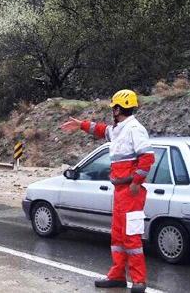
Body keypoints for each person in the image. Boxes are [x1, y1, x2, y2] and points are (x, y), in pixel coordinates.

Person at [62, 89, 155, 293]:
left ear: (119, 108)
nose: (112, 110)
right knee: (118, 237)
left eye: (114, 107)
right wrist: (81, 126)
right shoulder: (119, 128)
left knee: (131, 237)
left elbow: (147, 157)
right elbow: (101, 130)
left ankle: (139, 281)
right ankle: (117, 276)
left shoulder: (134, 129)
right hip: (120, 190)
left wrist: (136, 182)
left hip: (131, 191)